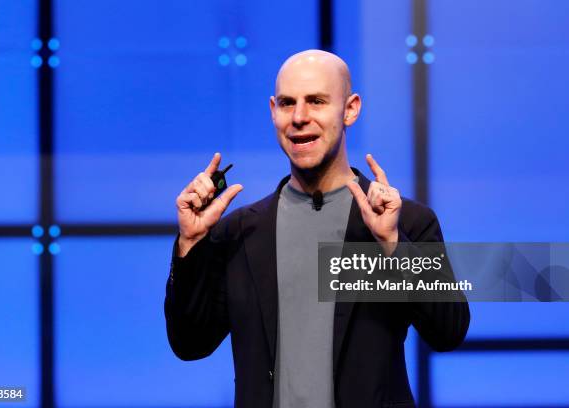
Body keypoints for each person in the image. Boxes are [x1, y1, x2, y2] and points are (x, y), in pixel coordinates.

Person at [165, 50, 470, 408]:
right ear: (272, 111)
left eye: (317, 101)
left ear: (350, 109)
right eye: (286, 103)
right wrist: (191, 243)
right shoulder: (239, 232)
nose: (299, 117)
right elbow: (189, 343)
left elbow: (449, 332)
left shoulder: (407, 223)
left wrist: (391, 244)